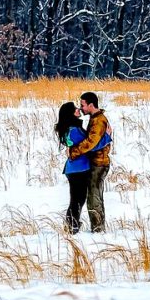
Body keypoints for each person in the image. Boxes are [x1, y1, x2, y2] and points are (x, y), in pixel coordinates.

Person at [72, 92, 113, 232]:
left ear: (91, 105)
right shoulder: (94, 118)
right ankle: (98, 228)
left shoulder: (98, 121)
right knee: (94, 196)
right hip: (96, 163)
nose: (81, 107)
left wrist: (74, 152)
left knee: (94, 197)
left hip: (99, 164)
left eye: (82, 104)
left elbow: (91, 143)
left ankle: (98, 229)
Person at [55, 101, 91, 235]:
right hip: (78, 168)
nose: (78, 109)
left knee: (77, 198)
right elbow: (89, 143)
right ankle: (72, 225)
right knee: (78, 199)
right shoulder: (74, 130)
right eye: (75, 108)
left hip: (73, 168)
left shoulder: (69, 128)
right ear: (71, 113)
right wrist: (107, 136)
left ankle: (72, 224)